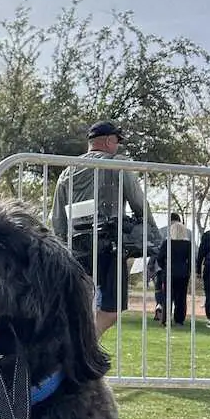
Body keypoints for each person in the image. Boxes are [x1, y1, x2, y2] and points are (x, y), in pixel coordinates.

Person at [50, 119, 160, 337]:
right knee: (111, 310)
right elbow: (139, 203)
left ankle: (79, 352)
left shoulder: (67, 171)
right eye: (117, 141)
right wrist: (154, 237)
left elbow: (57, 217)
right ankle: (83, 351)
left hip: (76, 248)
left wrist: (61, 248)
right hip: (109, 247)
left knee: (80, 307)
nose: (118, 145)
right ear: (110, 141)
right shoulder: (117, 164)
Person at [154, 213, 192, 327]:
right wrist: (188, 271)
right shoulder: (187, 244)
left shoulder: (167, 243)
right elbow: (190, 260)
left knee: (167, 297)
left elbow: (159, 258)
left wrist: (164, 267)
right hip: (183, 274)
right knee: (181, 298)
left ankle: (165, 319)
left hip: (169, 273)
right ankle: (179, 320)